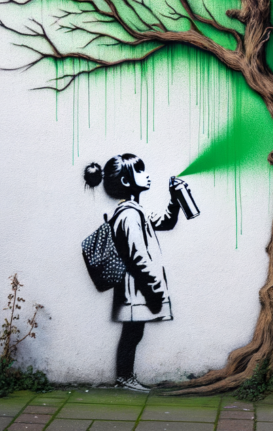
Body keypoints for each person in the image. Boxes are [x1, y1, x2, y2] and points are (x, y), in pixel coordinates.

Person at [83, 153, 188, 392]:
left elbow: (166, 221)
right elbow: (138, 257)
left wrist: (174, 199)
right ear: (126, 182)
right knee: (131, 334)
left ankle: (125, 377)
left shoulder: (135, 211)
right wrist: (155, 289)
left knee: (133, 333)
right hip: (135, 289)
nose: (147, 174)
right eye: (140, 171)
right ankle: (124, 377)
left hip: (137, 288)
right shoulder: (130, 215)